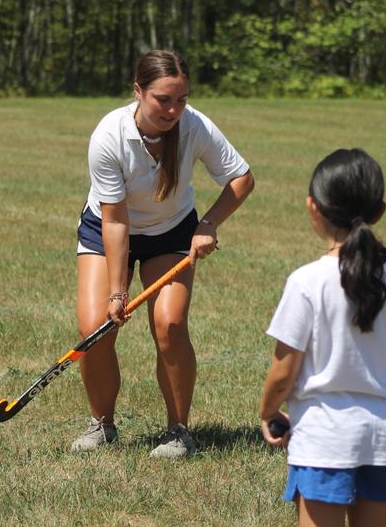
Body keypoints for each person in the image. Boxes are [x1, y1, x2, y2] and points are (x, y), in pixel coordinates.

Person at [72, 49, 254, 458]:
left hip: (171, 232)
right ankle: (102, 424)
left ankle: (178, 431)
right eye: (163, 100)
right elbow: (116, 221)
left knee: (170, 326)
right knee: (95, 329)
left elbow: (241, 178)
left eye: (182, 99)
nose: (174, 110)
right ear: (138, 92)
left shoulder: (194, 127)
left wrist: (207, 224)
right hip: (107, 231)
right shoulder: (108, 135)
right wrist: (118, 294)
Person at [258, 149, 386, 526]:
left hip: (323, 439)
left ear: (314, 208)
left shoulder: (306, 282)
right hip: (381, 437)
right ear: (379, 212)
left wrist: (267, 413)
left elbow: (283, 372)